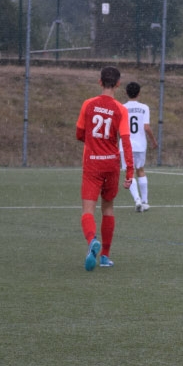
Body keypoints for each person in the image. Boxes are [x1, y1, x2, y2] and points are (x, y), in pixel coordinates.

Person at [76, 66, 134, 271]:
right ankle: (105, 256)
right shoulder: (121, 109)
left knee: (88, 210)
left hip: (92, 163)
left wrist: (93, 142)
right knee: (108, 208)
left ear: (100, 82)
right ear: (118, 84)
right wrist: (130, 172)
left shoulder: (88, 104)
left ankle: (92, 240)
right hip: (111, 164)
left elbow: (79, 134)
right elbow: (126, 141)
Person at [122, 82, 157, 212]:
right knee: (140, 170)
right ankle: (145, 201)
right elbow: (146, 127)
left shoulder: (122, 107)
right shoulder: (144, 108)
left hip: (126, 145)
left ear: (126, 93)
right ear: (139, 93)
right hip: (140, 144)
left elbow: (118, 128)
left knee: (129, 172)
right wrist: (153, 140)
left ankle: (137, 200)